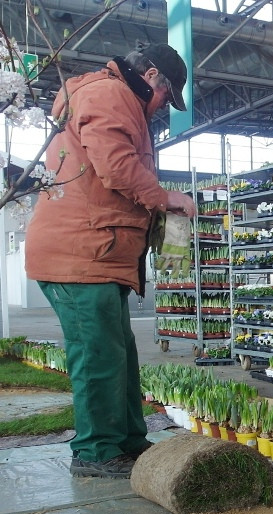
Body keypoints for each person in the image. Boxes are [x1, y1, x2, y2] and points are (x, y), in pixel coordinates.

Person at [25, 44, 196, 479]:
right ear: (151, 74)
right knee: (98, 356)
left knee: (118, 355)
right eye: (166, 95)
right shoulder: (110, 93)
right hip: (81, 253)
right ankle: (96, 452)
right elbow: (116, 167)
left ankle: (128, 441)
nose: (161, 107)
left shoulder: (115, 98)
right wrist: (165, 198)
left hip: (101, 255)